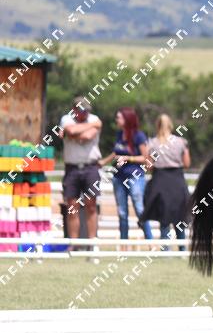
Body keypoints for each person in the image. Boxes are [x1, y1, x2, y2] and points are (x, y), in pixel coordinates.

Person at [99, 108, 153, 240]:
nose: (116, 120)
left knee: (139, 209)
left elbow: (146, 158)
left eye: (119, 117)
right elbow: (116, 152)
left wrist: (128, 158)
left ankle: (150, 242)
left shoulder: (139, 136)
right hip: (118, 177)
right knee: (122, 212)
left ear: (127, 119)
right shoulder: (119, 134)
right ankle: (124, 244)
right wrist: (103, 161)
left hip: (135, 176)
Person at [141, 114, 191, 250]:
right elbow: (187, 163)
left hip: (160, 180)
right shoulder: (181, 142)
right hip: (177, 181)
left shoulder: (152, 143)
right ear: (171, 125)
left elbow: (148, 166)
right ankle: (182, 249)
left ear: (157, 126)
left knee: (164, 218)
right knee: (180, 217)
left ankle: (165, 249)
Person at [60, 97, 102, 241]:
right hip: (72, 168)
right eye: (82, 111)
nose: (85, 114)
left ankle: (92, 243)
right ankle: (73, 244)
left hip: (90, 167)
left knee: (91, 206)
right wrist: (91, 126)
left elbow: (87, 136)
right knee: (72, 207)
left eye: (87, 111)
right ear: (74, 110)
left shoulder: (94, 118)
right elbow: (71, 130)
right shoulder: (66, 119)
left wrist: (71, 133)